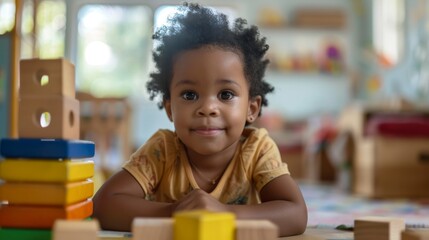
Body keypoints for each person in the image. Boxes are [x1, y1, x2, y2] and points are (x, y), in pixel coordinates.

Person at [92, 2, 307, 237]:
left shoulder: (257, 150)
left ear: (252, 109)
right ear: (170, 108)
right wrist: (176, 212)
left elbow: (295, 214)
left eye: (226, 95)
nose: (207, 108)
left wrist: (224, 213)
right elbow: (103, 206)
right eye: (189, 95)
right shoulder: (162, 151)